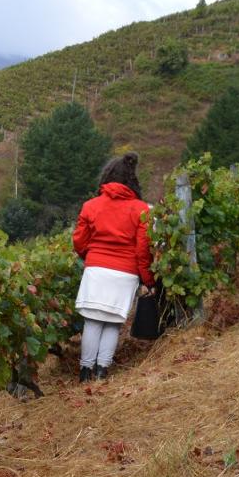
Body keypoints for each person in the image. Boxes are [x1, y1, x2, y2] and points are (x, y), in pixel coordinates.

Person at [71, 152, 155, 382]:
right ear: (132, 180)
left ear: (107, 177)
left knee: (92, 321)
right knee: (113, 322)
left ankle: (85, 371)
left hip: (96, 270)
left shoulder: (91, 206)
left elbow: (78, 241)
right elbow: (142, 250)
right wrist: (147, 278)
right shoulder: (141, 209)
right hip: (125, 273)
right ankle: (102, 371)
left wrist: (91, 256)